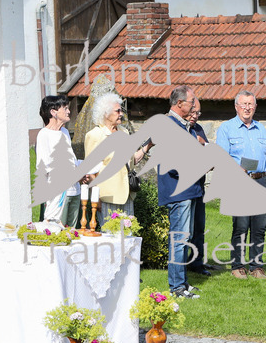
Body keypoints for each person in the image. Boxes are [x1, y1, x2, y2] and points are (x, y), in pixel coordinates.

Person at [217, 91, 266, 280]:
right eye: (243, 104)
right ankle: (237, 265)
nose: (247, 108)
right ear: (236, 107)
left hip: (260, 181)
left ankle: (256, 266)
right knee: (241, 226)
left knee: (260, 227)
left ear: (255, 107)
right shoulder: (226, 128)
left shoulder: (261, 129)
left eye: (250, 104)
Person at [157, 85, 202, 298]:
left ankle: (182, 283)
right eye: (191, 102)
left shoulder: (184, 126)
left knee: (186, 238)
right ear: (179, 104)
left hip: (189, 190)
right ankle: (176, 287)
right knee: (179, 239)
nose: (194, 105)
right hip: (179, 191)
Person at [84, 93, 151, 222]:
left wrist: (148, 145)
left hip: (127, 195)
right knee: (110, 236)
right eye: (117, 111)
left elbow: (131, 162)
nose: (121, 114)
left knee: (128, 236)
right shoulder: (95, 135)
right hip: (107, 197)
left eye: (121, 110)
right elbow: (90, 170)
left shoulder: (124, 132)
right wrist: (96, 198)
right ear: (106, 113)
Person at [35, 95, 82, 227]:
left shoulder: (65, 132)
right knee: (56, 231)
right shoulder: (44, 134)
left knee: (72, 233)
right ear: (53, 112)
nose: (68, 111)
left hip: (74, 191)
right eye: (65, 108)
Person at [186, 98, 211, 277]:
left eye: (198, 113)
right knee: (184, 230)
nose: (195, 116)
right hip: (183, 187)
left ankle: (197, 262)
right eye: (193, 112)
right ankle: (181, 264)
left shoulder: (198, 129)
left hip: (199, 186)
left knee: (199, 227)